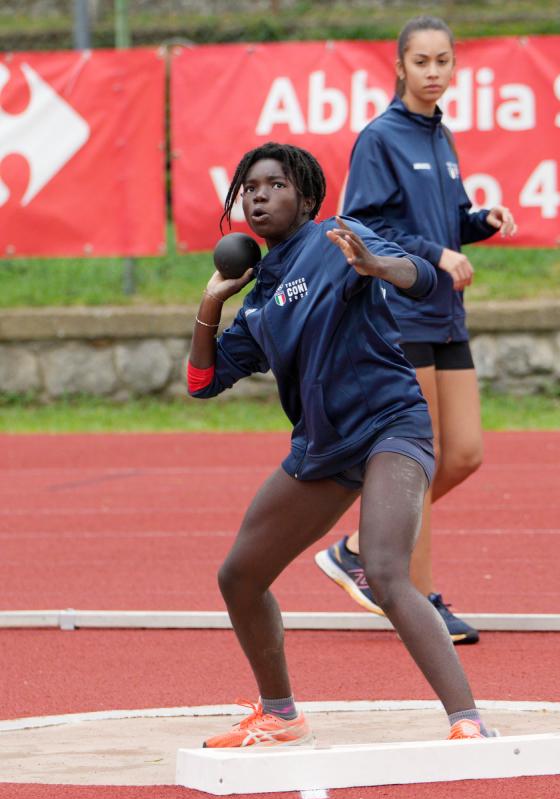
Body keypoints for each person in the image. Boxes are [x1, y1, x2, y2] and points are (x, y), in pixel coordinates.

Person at [188, 141, 493, 747]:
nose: (258, 195)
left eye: (274, 184)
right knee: (239, 577)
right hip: (323, 449)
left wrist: (380, 267)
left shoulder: (339, 241)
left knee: (384, 567)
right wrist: (210, 304)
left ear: (305, 197)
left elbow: (425, 278)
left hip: (391, 426)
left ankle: (469, 721)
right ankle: (280, 713)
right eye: (249, 187)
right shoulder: (259, 304)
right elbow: (202, 383)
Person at [315, 16, 517, 645]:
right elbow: (363, 224)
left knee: (464, 454)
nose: (434, 72)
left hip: (446, 313)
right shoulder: (380, 137)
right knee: (422, 464)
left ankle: (355, 547)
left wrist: (479, 220)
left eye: (443, 61)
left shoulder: (442, 135)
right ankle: (421, 601)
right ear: (399, 67)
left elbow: (447, 218)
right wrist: (434, 254)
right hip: (403, 313)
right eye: (421, 62)